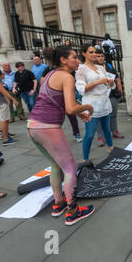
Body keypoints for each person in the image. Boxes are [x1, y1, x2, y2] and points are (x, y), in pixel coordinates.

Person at [27, 45, 95, 225]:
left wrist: (77, 112)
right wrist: (87, 107)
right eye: (74, 57)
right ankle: (72, 211)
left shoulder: (50, 74)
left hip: (32, 125)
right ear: (63, 60)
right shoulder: (66, 76)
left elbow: (57, 103)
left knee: (55, 165)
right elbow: (71, 107)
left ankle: (59, 204)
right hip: (47, 127)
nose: (78, 61)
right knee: (70, 168)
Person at [75, 44, 115, 161]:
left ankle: (111, 149)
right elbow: (81, 89)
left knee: (107, 128)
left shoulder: (101, 68)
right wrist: (98, 82)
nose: (94, 54)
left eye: (95, 52)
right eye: (91, 52)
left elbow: (109, 86)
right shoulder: (81, 69)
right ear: (84, 53)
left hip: (104, 102)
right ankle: (85, 159)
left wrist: (110, 82)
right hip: (91, 104)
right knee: (90, 133)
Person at [40, 57, 83, 144]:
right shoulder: (50, 70)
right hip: (56, 99)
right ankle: (54, 136)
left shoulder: (69, 72)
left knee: (72, 116)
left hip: (66, 96)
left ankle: (76, 133)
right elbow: (42, 80)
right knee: (57, 117)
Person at [95, 48, 124, 147]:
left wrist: (120, 90)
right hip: (99, 96)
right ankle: (100, 136)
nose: (100, 58)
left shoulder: (109, 65)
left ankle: (115, 131)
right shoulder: (92, 68)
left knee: (113, 114)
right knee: (99, 117)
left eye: (102, 56)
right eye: (98, 56)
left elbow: (117, 78)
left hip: (112, 94)